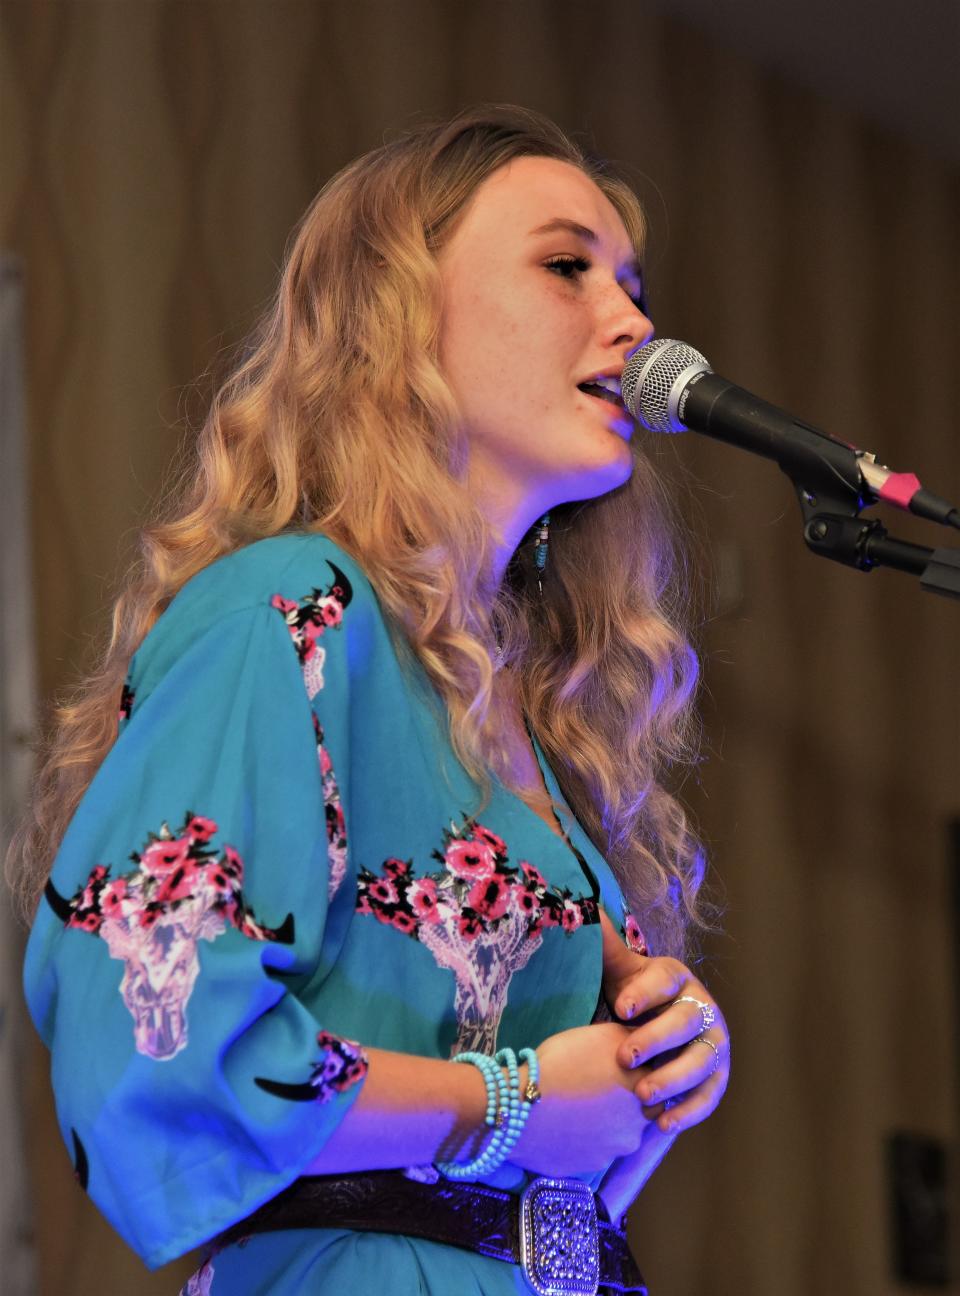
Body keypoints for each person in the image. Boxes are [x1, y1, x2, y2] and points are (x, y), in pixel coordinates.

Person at [11, 105, 730, 1295]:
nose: (635, 323)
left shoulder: (524, 719)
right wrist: (509, 1104)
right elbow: (161, 1029)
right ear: (400, 313)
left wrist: (659, 1066)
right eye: (568, 268)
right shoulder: (290, 613)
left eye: (633, 284)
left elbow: (542, 1173)